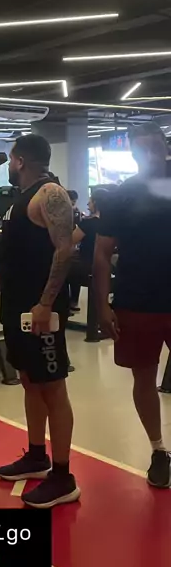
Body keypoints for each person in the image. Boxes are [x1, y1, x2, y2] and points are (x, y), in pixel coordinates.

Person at [0, 135, 79, 508]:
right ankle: (36, 456)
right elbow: (29, 246)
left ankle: (63, 476)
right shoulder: (23, 197)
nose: (9, 166)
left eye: (11, 159)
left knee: (52, 387)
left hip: (40, 311)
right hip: (17, 307)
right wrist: (8, 272)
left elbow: (65, 249)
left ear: (20, 160)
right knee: (30, 381)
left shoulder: (50, 193)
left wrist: (46, 303)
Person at [94, 122, 171, 488]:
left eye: (155, 147)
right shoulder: (122, 195)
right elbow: (101, 252)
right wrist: (102, 305)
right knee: (143, 377)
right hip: (136, 301)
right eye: (141, 150)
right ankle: (158, 451)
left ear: (165, 146)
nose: (149, 155)